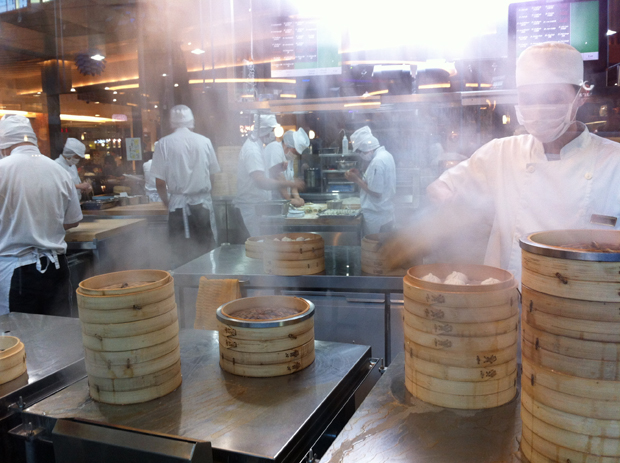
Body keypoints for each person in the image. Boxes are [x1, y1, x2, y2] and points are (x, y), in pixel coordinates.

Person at [384, 42, 620, 282]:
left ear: (581, 96)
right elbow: (444, 191)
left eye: (552, 97)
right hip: (507, 307)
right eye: (528, 98)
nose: (538, 108)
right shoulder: (501, 153)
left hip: (584, 309)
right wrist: (433, 216)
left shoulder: (614, 162)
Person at [0, 115, 83, 316]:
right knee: (56, 333)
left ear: (4, 145)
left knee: (20, 338)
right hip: (56, 268)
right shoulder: (59, 171)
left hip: (17, 272)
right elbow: (72, 221)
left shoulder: (3, 169)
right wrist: (44, 226)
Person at [151, 105, 221, 264]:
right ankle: (206, 283)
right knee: (206, 251)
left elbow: (160, 182)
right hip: (202, 204)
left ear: (171, 122)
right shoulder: (204, 141)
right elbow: (213, 175)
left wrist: (167, 202)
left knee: (179, 253)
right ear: (192, 121)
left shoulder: (163, 144)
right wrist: (208, 194)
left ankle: (183, 286)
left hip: (177, 206)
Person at [233, 114, 305, 238]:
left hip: (258, 208)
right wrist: (290, 185)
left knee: (262, 245)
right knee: (255, 248)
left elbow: (268, 174)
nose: (273, 134)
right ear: (264, 130)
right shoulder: (252, 150)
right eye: (272, 130)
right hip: (249, 209)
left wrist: (277, 169)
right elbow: (260, 182)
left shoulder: (259, 147)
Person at [345, 126, 396, 235]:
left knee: (374, 248)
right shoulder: (386, 155)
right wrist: (361, 176)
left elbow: (376, 192)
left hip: (377, 217)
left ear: (366, 148)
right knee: (382, 249)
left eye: (360, 151)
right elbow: (376, 182)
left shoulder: (377, 161)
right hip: (385, 214)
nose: (360, 154)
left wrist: (357, 180)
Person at [264, 128, 310, 207]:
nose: (295, 155)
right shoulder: (275, 148)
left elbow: (291, 182)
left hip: (282, 203)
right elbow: (279, 178)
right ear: (287, 144)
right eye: (295, 152)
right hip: (271, 202)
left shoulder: (289, 158)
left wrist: (298, 198)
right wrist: (289, 200)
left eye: (297, 153)